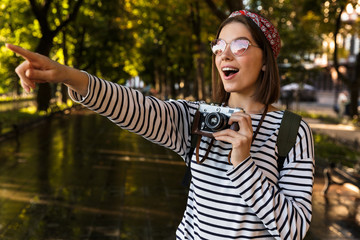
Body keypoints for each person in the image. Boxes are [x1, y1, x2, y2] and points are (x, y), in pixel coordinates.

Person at [7, 9, 314, 240]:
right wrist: (67, 75)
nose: (225, 54)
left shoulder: (292, 132)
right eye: (219, 46)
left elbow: (294, 229)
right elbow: (136, 107)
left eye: (241, 45)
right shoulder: (196, 118)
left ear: (266, 60)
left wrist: (244, 164)